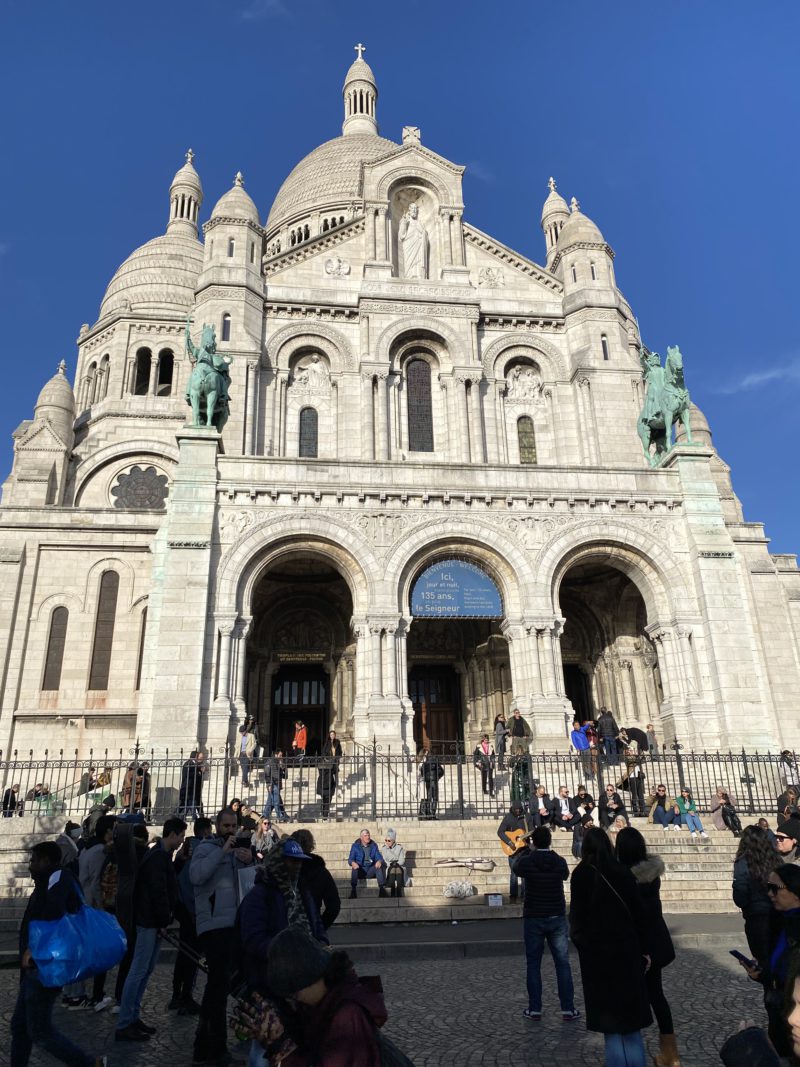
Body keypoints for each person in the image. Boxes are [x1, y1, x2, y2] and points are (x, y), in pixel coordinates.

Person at [11, 841, 107, 1067]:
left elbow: (52, 913)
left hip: (44, 964)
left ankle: (88, 1063)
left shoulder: (58, 878)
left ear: (46, 860)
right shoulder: (48, 880)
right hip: (36, 965)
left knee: (40, 1031)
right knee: (20, 1026)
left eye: (33, 860)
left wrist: (34, 949)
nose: (30, 866)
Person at [235, 926, 389, 1067]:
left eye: (294, 993)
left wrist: (282, 1050)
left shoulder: (348, 1015)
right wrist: (276, 1038)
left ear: (310, 977)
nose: (293, 1001)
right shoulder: (315, 1005)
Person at [569, 827, 652, 1067]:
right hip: (626, 953)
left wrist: (586, 946)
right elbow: (640, 914)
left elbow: (576, 922)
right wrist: (644, 949)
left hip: (598, 958)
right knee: (631, 1027)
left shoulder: (581, 874)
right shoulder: (622, 872)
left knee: (612, 1030)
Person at [191, 806, 255, 1066]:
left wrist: (249, 860)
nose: (230, 830)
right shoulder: (206, 848)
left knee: (217, 987)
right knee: (218, 987)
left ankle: (202, 1046)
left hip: (234, 924)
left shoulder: (238, 851)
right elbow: (197, 876)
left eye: (233, 826)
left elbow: (251, 881)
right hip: (214, 925)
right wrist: (223, 851)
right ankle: (216, 1049)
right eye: (226, 826)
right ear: (217, 826)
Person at [115, 816, 186, 1042]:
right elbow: (158, 892)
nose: (183, 841)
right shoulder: (157, 858)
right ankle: (125, 1021)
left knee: (144, 971)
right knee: (138, 971)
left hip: (152, 920)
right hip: (149, 922)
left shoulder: (160, 855)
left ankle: (133, 1017)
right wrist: (163, 921)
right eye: (182, 836)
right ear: (172, 834)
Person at [616, 827, 680, 1067]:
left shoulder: (625, 878)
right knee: (657, 996)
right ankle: (670, 1055)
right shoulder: (652, 874)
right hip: (656, 940)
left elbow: (633, 917)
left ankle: (628, 1055)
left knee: (630, 998)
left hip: (636, 945)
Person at [238, 838, 328, 1000]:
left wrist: (321, 942)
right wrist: (285, 952)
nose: (298, 866)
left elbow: (316, 923)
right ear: (279, 862)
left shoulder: (302, 891)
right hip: (272, 979)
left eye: (300, 861)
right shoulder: (259, 895)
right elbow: (253, 939)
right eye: (293, 861)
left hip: (305, 976)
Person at [511, 825, 579, 1021]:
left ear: (533, 842)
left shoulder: (527, 861)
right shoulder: (558, 860)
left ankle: (535, 1008)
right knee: (562, 963)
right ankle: (568, 1007)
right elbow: (565, 874)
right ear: (550, 841)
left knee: (533, 964)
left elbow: (515, 867)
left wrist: (524, 850)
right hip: (556, 915)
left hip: (534, 915)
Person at [736, 864, 800, 1060]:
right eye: (767, 888)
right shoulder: (779, 921)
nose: (770, 894)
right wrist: (761, 974)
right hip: (778, 1010)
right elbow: (780, 968)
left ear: (796, 891)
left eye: (775, 888)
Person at [170, 817, 211, 1016]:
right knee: (192, 956)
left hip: (184, 908)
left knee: (184, 955)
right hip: (192, 909)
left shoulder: (184, 850)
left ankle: (177, 995)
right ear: (205, 833)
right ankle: (185, 996)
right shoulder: (200, 851)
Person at [733, 824, 779, 970]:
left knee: (763, 965)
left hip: (756, 918)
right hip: (778, 915)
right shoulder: (775, 860)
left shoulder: (743, 863)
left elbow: (740, 897)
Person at [291, 829, 341, 928]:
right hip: (311, 925)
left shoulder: (285, 868)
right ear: (311, 845)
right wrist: (320, 927)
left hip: (286, 927)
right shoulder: (320, 871)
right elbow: (334, 906)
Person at [498, 801, 531, 901]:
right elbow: (500, 832)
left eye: (519, 810)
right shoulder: (508, 817)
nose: (517, 811)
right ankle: (513, 896)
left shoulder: (527, 817)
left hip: (525, 849)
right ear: (512, 809)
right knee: (514, 873)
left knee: (525, 873)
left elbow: (532, 830)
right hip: (513, 850)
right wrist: (509, 842)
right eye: (515, 810)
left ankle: (524, 896)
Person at [347, 829, 387, 899]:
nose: (368, 837)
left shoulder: (373, 845)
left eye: (368, 835)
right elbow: (350, 859)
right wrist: (353, 863)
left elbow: (379, 857)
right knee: (354, 867)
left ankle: (382, 889)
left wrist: (379, 861)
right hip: (360, 869)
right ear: (361, 837)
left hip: (370, 870)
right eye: (365, 836)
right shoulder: (355, 846)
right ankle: (353, 891)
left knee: (378, 866)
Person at [262, 749, 289, 823]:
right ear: (276, 755)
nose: (281, 757)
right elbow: (267, 774)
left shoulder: (279, 763)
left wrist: (284, 768)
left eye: (282, 755)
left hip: (278, 785)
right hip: (273, 784)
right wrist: (269, 784)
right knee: (276, 801)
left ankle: (265, 815)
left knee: (271, 802)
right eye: (280, 755)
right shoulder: (270, 762)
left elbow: (285, 776)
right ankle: (280, 816)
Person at [380, 828, 406, 897]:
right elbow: (384, 860)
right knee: (392, 869)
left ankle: (398, 889)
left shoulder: (399, 848)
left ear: (393, 841)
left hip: (398, 866)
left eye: (389, 840)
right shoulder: (384, 848)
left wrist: (396, 864)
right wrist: (391, 863)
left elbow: (402, 860)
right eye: (386, 840)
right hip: (388, 866)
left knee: (397, 868)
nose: (387, 842)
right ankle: (393, 889)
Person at [179, 750, 206, 818]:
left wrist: (201, 772)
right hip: (189, 790)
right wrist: (198, 773)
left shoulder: (194, 764)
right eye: (198, 756)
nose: (199, 758)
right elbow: (188, 775)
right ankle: (198, 820)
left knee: (187, 808)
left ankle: (176, 818)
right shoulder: (189, 763)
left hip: (193, 791)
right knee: (191, 808)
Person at [623, 740, 647, 816]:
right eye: (630, 750)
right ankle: (635, 810)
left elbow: (643, 760)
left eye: (633, 749)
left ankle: (643, 810)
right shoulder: (627, 757)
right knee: (634, 794)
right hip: (632, 777)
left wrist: (641, 755)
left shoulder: (637, 757)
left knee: (640, 794)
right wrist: (637, 756)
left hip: (639, 776)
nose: (632, 751)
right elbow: (631, 761)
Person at [419, 747, 444, 818]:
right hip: (434, 781)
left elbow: (422, 772)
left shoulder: (424, 763)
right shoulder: (435, 761)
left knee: (429, 798)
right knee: (435, 798)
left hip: (427, 781)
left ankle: (428, 814)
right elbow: (441, 771)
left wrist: (426, 777)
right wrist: (437, 777)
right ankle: (433, 814)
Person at [239, 724, 257, 789]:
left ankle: (244, 781)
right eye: (240, 732)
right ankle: (246, 782)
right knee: (243, 767)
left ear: (245, 731)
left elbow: (254, 744)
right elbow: (237, 746)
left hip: (247, 754)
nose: (241, 733)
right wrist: (236, 754)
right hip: (241, 754)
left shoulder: (251, 736)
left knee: (246, 767)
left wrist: (250, 750)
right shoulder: (240, 737)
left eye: (242, 732)